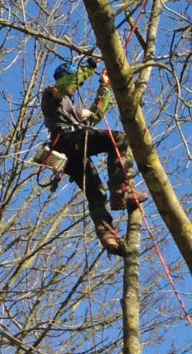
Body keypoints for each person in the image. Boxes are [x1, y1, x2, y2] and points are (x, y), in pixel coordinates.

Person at [40, 56, 148, 257]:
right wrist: (88, 68)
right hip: (67, 141)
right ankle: (121, 190)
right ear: (66, 78)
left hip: (72, 154)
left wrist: (104, 87)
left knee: (96, 194)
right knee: (119, 138)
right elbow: (63, 87)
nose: (76, 87)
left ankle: (107, 236)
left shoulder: (71, 108)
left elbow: (94, 114)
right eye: (75, 81)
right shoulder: (51, 95)